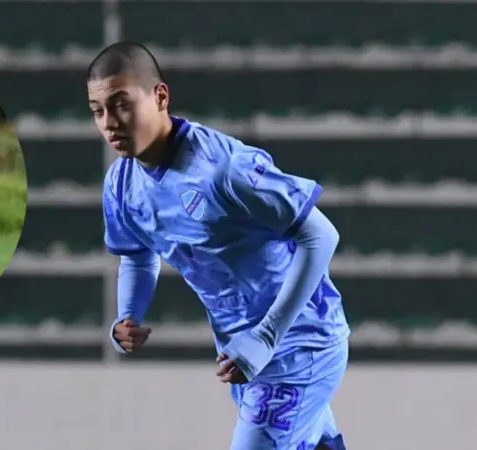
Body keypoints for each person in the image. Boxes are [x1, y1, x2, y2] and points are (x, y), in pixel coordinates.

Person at [88, 41, 350, 450]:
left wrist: (266, 337)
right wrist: (128, 314)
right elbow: (138, 256)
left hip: (300, 341)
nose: (109, 123)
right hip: (241, 352)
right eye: (97, 110)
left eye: (121, 105)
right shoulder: (121, 185)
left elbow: (321, 236)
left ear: (160, 97)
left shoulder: (224, 168)